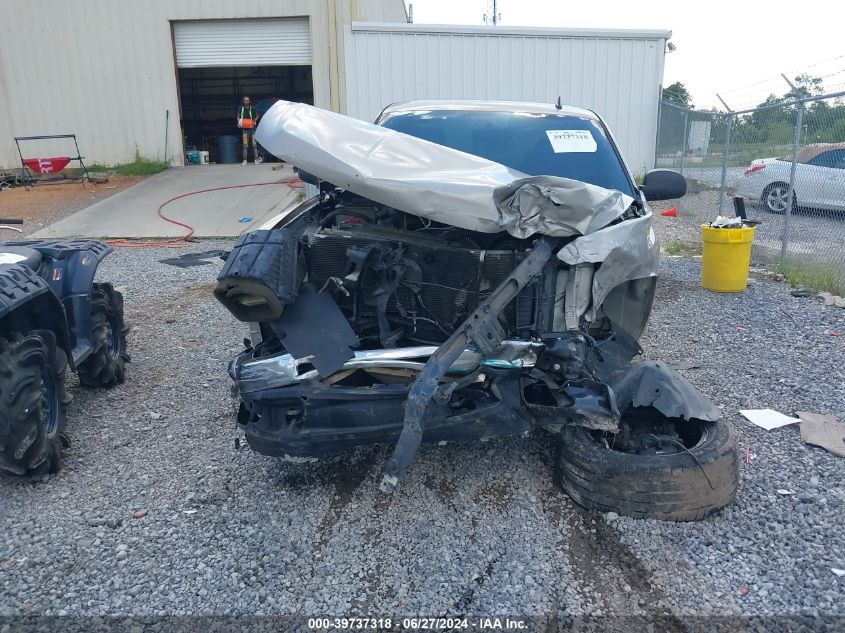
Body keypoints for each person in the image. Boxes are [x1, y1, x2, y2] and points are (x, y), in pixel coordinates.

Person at [237, 96, 262, 165]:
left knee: (254, 144)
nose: (246, 102)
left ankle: (256, 159)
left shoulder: (253, 108)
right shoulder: (240, 108)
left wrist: (254, 121)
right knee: (245, 145)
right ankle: (245, 160)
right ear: (243, 101)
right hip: (245, 130)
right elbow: (238, 116)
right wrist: (239, 121)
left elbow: (257, 116)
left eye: (247, 100)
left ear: (249, 101)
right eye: (245, 100)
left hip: (252, 129)